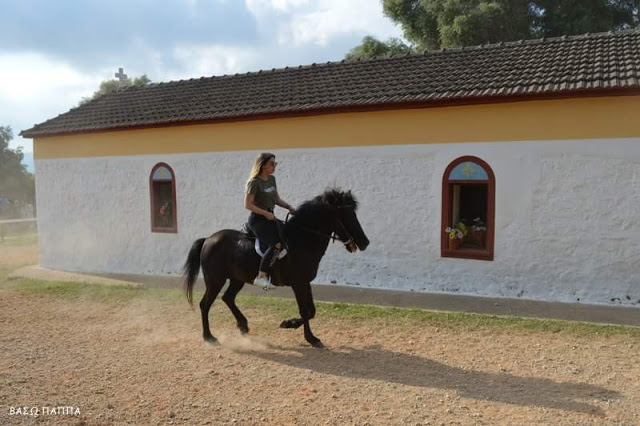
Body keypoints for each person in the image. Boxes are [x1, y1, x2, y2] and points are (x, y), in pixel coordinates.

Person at [244, 153, 295, 289]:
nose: (274, 166)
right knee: (276, 244)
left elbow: (276, 199)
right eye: (272, 163)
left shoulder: (272, 179)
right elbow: (248, 205)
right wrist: (265, 213)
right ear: (263, 165)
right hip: (258, 220)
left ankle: (277, 275)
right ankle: (261, 276)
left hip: (270, 217)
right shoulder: (254, 182)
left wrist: (289, 207)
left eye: (275, 163)